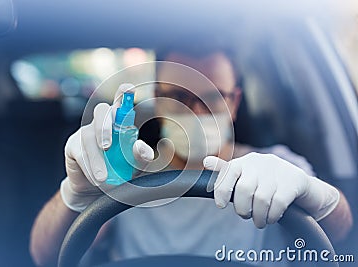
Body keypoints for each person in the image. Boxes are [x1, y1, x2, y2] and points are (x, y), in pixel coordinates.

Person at [29, 45, 353, 266]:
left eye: (213, 98)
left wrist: (317, 196)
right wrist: (75, 196)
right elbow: (46, 257)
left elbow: (339, 233)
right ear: (157, 98)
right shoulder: (122, 170)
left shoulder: (276, 168)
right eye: (181, 97)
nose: (197, 112)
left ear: (235, 102)